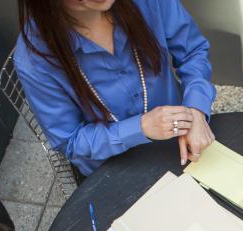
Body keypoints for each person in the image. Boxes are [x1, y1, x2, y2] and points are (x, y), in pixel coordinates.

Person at [14, 0, 217, 175]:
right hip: (112, 166)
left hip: (179, 135)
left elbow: (193, 52)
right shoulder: (35, 60)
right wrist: (141, 127)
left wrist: (196, 110)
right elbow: (71, 141)